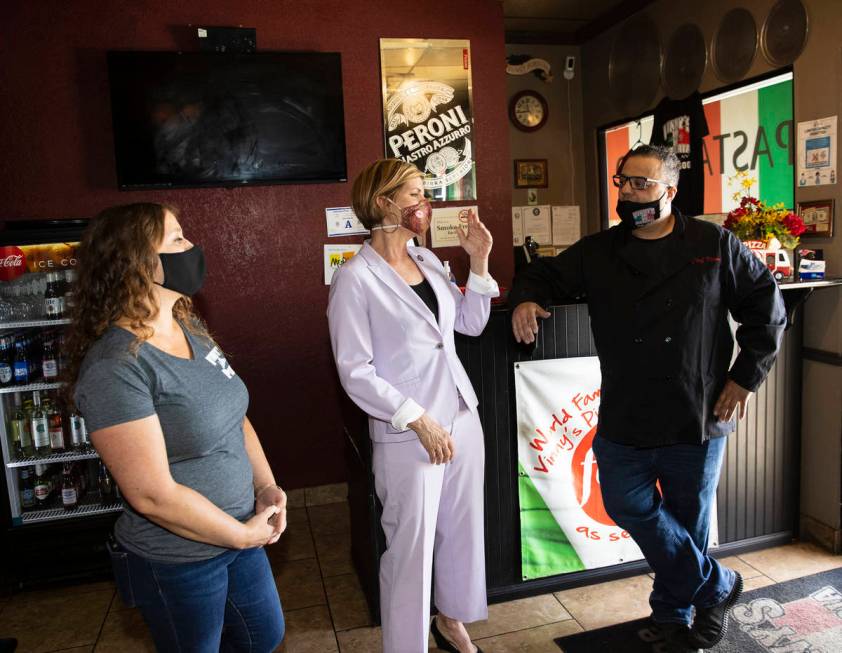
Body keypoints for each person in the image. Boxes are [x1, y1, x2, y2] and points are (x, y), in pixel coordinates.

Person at [509, 145, 786, 653]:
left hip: (696, 411)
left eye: (641, 184)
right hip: (626, 413)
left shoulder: (714, 244)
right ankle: (718, 587)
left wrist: (744, 378)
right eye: (623, 182)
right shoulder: (598, 251)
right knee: (625, 503)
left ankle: (679, 614)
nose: (629, 193)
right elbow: (542, 274)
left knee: (688, 521)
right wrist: (527, 297)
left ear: (670, 192)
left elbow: (767, 310)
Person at [66, 203, 286, 653]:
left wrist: (265, 486)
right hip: (179, 560)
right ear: (137, 263)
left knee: (261, 635)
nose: (192, 248)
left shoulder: (189, 326)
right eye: (177, 239)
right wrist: (241, 535)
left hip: (239, 532)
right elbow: (150, 494)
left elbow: (233, 417)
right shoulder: (116, 367)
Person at [328, 159, 498, 653]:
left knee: (462, 527)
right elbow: (354, 369)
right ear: (383, 202)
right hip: (409, 431)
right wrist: (417, 418)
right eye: (415, 194)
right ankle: (407, 645)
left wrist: (480, 263)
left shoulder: (427, 261)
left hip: (462, 414)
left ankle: (451, 620)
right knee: (411, 546)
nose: (425, 204)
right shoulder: (354, 279)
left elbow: (469, 325)